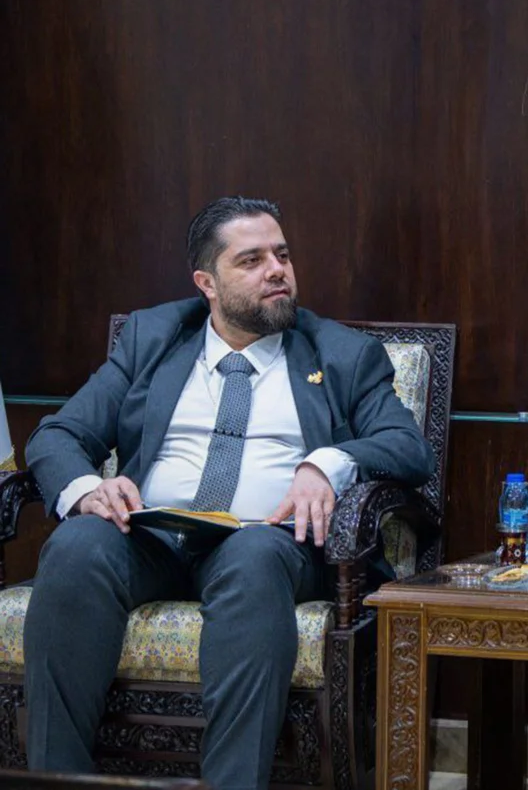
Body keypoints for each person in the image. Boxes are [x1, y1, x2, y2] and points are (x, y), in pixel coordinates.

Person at [22, 197, 433, 790]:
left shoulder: (340, 353)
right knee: (77, 546)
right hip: (155, 539)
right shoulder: (152, 338)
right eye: (252, 260)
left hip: (270, 547)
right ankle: (55, 781)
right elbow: (58, 434)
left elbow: (407, 446)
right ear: (206, 283)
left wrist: (328, 462)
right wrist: (89, 489)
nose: (277, 270)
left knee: (252, 555)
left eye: (282, 255)